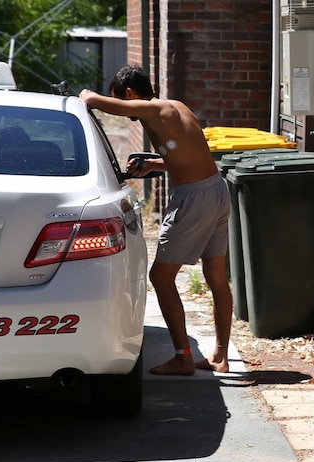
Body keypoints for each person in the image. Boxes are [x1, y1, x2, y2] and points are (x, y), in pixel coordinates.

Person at [80, 66, 233, 376]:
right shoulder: (176, 106)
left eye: (122, 101)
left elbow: (97, 102)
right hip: (215, 190)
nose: (126, 112)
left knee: (161, 278)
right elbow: (186, 155)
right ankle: (220, 356)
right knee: (216, 276)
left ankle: (183, 357)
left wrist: (86, 97)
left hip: (193, 200)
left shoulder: (150, 107)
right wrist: (153, 165)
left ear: (130, 94)